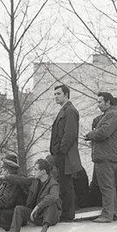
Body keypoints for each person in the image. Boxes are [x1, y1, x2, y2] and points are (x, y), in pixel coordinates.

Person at [0, 157, 61, 232]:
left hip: (50, 218)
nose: (34, 171)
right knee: (19, 209)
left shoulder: (53, 184)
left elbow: (53, 196)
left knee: (51, 204)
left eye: (36, 169)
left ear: (43, 171)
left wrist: (37, 207)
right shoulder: (34, 181)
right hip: (37, 216)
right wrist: (4, 177)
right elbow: (20, 180)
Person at [84, 91, 117, 223]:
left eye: (100, 101)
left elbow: (104, 132)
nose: (98, 104)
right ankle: (113, 212)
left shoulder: (112, 114)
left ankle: (107, 215)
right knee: (110, 185)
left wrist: (91, 134)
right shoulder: (110, 114)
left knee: (106, 186)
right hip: (108, 155)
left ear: (108, 102)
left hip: (106, 156)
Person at [49, 83, 82, 222]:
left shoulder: (70, 111)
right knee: (64, 183)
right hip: (62, 154)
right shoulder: (65, 110)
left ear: (66, 95)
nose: (56, 96)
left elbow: (69, 134)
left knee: (66, 184)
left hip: (65, 155)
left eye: (58, 94)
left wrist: (60, 151)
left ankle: (68, 214)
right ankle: (67, 213)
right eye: (55, 94)